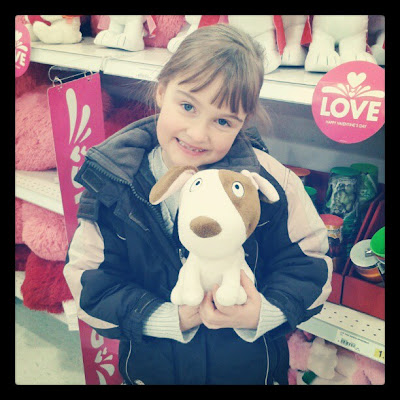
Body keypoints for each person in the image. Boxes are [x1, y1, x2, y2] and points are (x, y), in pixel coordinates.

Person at [64, 23, 332, 385]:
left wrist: (261, 313)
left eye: (223, 121)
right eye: (188, 106)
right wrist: (165, 317)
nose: (198, 134)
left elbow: (309, 265)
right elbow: (91, 283)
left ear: (243, 123)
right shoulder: (115, 181)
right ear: (162, 91)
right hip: (152, 371)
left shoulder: (268, 183)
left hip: (249, 372)